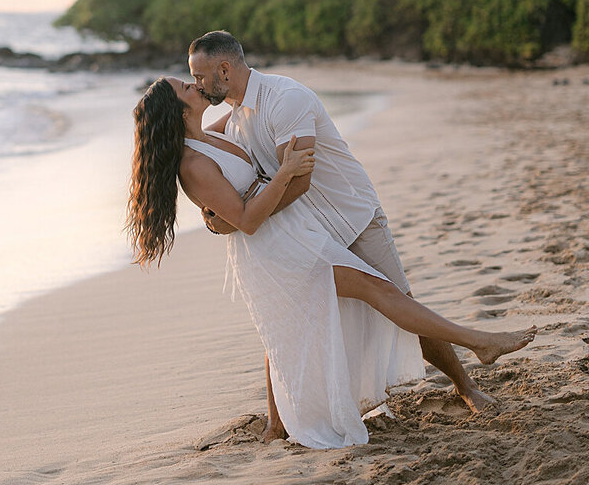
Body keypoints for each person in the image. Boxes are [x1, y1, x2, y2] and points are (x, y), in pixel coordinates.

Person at [126, 74, 537, 449]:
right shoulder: (193, 163)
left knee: (290, 323)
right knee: (377, 290)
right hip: (276, 247)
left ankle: (278, 423)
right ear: (178, 111)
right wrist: (286, 173)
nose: (195, 86)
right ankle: (478, 342)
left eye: (194, 79)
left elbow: (233, 198)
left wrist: (221, 215)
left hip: (294, 232)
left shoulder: (213, 134)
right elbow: (248, 221)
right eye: (186, 87)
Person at [185, 31, 505, 440]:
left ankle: (467, 386)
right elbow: (208, 157)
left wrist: (247, 219)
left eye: (199, 75)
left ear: (224, 69)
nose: (197, 84)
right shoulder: (234, 119)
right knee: (281, 315)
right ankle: (276, 422)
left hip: (351, 218)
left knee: (400, 303)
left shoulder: (286, 99)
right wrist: (217, 217)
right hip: (305, 232)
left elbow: (298, 182)